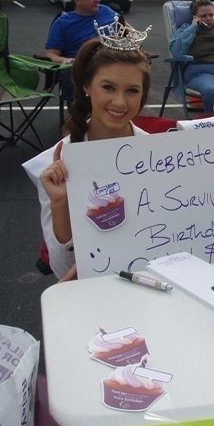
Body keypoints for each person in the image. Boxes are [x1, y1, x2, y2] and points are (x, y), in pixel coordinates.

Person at [23, 36, 151, 280]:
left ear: (143, 94)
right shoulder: (54, 164)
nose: (120, 102)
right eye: (108, 87)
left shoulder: (160, 156)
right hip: (93, 294)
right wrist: (60, 204)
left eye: (132, 90)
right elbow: (61, 268)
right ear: (86, 86)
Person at [44, 0, 119, 106]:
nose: (97, 0)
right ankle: (81, 116)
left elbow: (126, 27)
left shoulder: (106, 11)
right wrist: (64, 60)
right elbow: (51, 54)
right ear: (77, 0)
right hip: (83, 67)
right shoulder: (62, 23)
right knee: (73, 71)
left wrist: (133, 39)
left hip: (113, 62)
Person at [169, 0, 214, 114]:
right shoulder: (186, 29)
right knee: (213, 92)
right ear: (195, 17)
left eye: (211, 15)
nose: (208, 18)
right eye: (203, 16)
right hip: (200, 72)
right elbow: (176, 51)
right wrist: (193, 28)